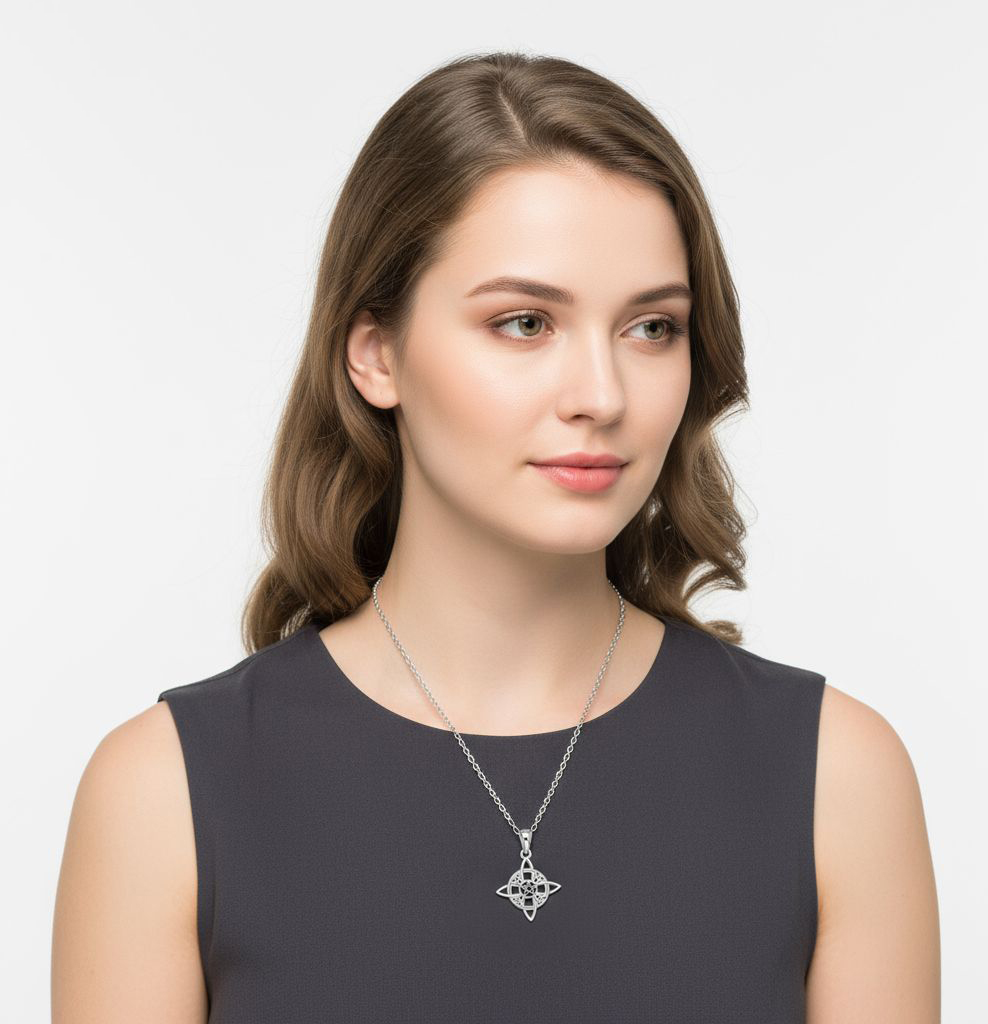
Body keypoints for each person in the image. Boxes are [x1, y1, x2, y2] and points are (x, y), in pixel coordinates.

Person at [51, 51, 940, 1023]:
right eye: (524, 322)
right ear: (376, 353)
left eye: (651, 327)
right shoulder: (164, 793)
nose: (601, 395)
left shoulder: (836, 777)